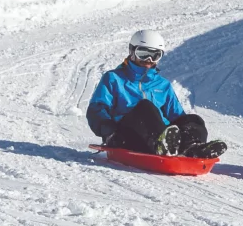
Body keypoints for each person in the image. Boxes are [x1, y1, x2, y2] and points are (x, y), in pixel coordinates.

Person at [87, 30, 226, 158]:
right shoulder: (113, 78)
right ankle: (161, 145)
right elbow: (97, 109)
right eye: (143, 53)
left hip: (163, 137)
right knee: (145, 107)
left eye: (155, 55)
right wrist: (109, 131)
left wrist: (188, 130)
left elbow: (177, 116)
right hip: (125, 136)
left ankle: (192, 148)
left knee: (193, 119)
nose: (148, 59)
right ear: (132, 51)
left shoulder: (163, 85)